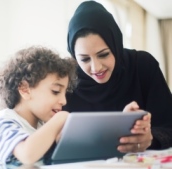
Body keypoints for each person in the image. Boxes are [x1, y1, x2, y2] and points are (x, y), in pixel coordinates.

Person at [64, 1, 172, 153]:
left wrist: (151, 138)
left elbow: (169, 126)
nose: (96, 68)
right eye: (84, 59)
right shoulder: (64, 80)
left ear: (115, 44)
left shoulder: (142, 66)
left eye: (104, 54)